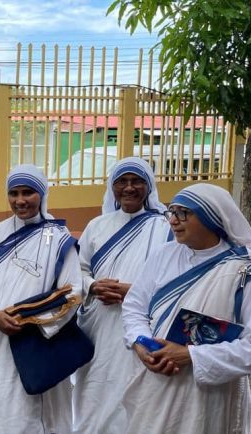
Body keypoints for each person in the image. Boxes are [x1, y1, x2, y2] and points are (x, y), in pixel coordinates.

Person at [121, 183, 251, 434]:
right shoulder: (163, 255)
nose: (174, 221)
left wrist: (190, 356)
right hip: (155, 383)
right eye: (172, 212)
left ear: (211, 217)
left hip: (208, 398)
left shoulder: (245, 270)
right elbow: (135, 306)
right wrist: (141, 342)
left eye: (184, 213)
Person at [0, 164, 82, 434]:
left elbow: (73, 293)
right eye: (14, 193)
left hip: (37, 345)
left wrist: (31, 323)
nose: (20, 200)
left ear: (42, 194)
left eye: (28, 192)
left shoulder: (58, 238)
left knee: (33, 413)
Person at [71, 157, 172, 434]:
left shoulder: (165, 228)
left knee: (133, 392)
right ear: (111, 187)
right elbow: (76, 270)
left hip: (141, 324)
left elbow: (174, 277)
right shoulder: (97, 226)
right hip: (98, 327)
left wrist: (134, 292)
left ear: (148, 186)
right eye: (122, 181)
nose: (129, 188)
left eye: (137, 181)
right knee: (94, 388)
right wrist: (92, 286)